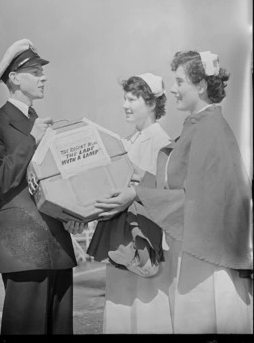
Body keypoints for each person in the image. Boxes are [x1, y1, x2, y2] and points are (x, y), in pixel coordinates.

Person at [93, 51, 253, 334]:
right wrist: (146, 178)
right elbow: (185, 186)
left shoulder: (209, 128)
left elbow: (197, 200)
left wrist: (137, 194)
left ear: (201, 85)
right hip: (196, 251)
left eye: (179, 81)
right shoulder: (200, 124)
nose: (174, 88)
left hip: (207, 260)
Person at [0, 38, 86, 335]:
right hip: (22, 252)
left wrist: (73, 215)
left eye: (42, 71)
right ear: (15, 78)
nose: (43, 76)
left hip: (59, 248)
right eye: (35, 71)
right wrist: (31, 139)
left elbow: (56, 184)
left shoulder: (41, 125)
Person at [88, 73, 172, 333]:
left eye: (132, 99)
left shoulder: (162, 144)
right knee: (121, 311)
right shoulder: (124, 142)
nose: (125, 104)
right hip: (120, 244)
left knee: (147, 309)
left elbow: (164, 194)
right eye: (124, 98)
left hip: (146, 242)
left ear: (150, 103)